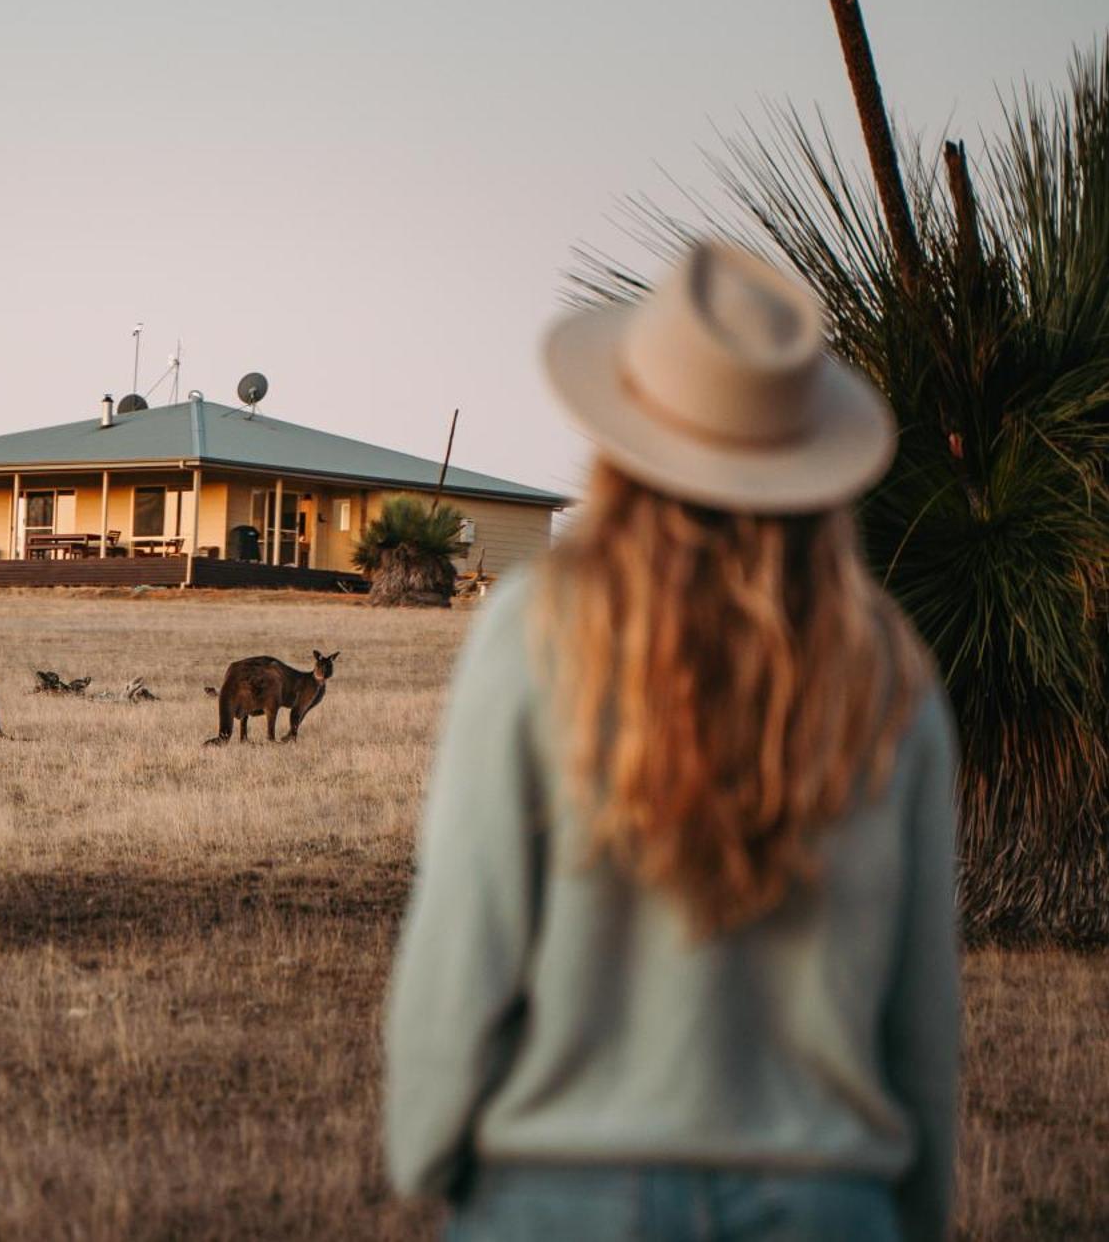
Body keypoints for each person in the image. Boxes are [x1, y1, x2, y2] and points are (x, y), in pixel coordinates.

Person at [383, 241, 960, 1242]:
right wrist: (909, 1206)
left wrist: (426, 1144)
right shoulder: (888, 670)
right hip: (822, 1196)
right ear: (807, 454)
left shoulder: (532, 630)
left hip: (555, 1192)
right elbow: (919, 1001)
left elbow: (464, 931)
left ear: (622, 437)